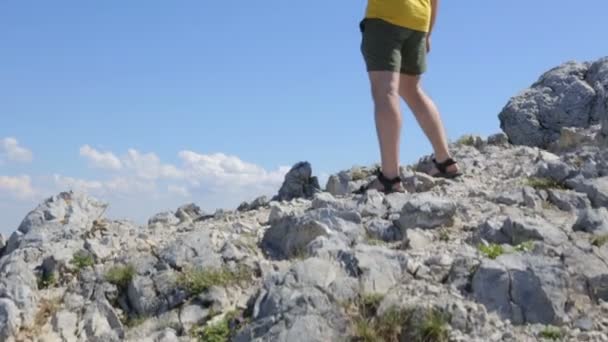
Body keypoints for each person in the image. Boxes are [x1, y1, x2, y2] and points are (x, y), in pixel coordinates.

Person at [357, 0, 462, 194]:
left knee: (385, 92)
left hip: (386, 15)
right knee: (412, 89)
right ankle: (445, 161)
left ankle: (389, 178)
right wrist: (428, 33)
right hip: (419, 20)